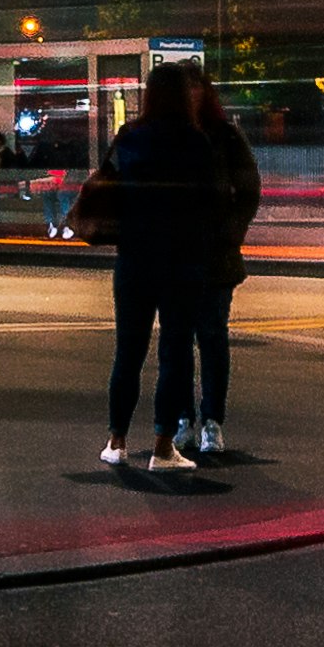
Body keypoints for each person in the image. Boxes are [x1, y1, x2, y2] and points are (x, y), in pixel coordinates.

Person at [92, 63, 236, 471]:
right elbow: (214, 204)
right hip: (182, 261)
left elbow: (107, 188)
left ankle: (116, 441)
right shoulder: (196, 142)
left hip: (134, 259)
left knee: (128, 351)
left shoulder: (129, 138)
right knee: (175, 352)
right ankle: (161, 447)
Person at [186, 67, 263, 457]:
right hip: (176, 254)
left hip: (215, 255)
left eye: (194, 88)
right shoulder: (165, 136)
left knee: (212, 336)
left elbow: (250, 190)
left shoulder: (226, 137)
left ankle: (212, 420)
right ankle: (182, 418)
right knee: (178, 340)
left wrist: (231, 233)